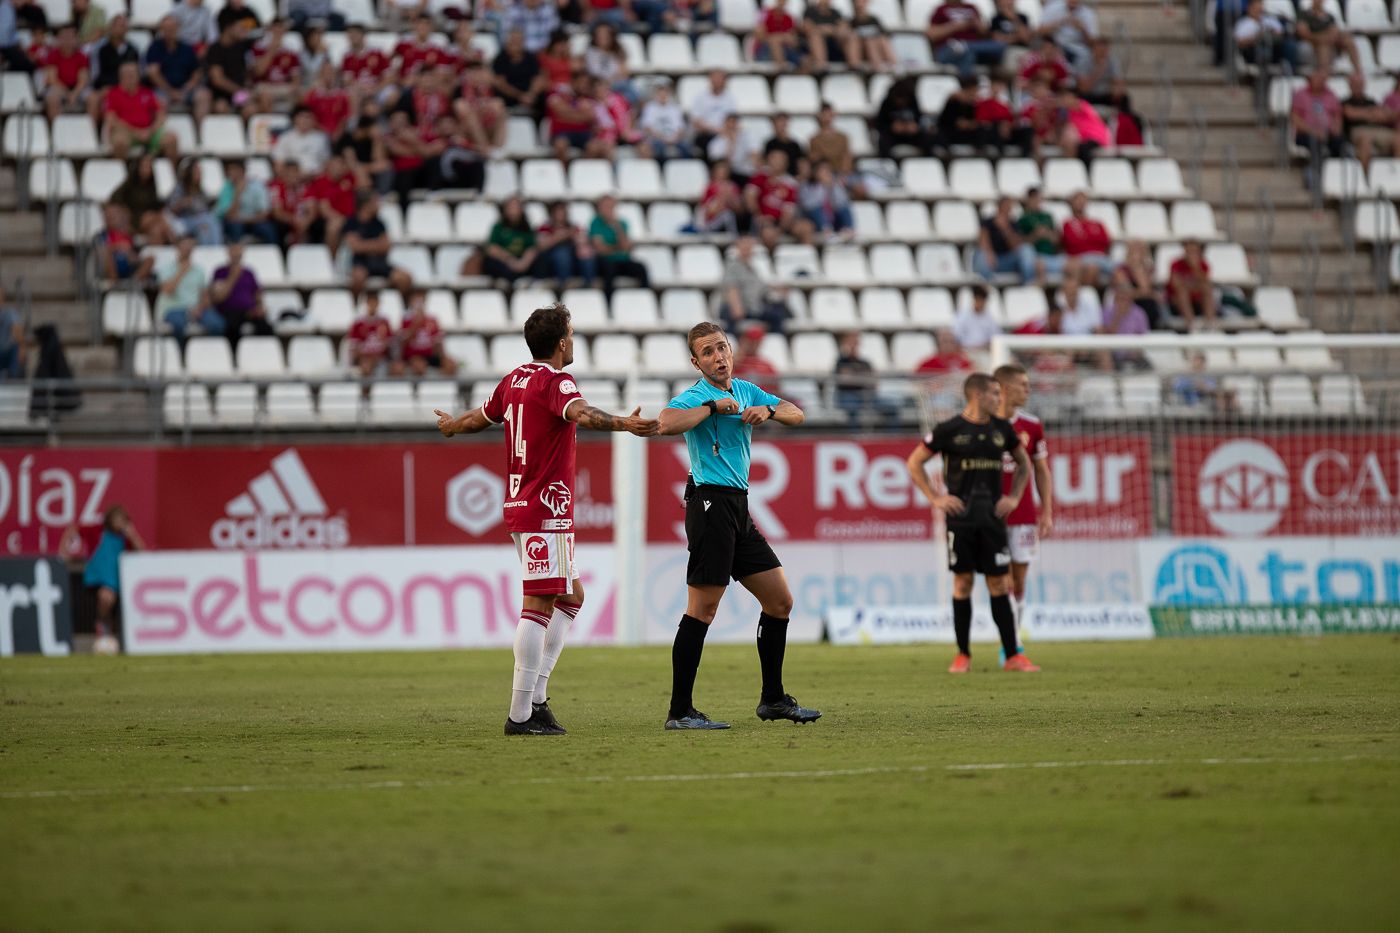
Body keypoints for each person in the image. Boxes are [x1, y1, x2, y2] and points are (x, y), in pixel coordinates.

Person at [434, 303, 660, 735]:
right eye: (571, 334)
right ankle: (521, 715)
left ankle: (536, 699)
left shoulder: (513, 380)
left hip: (527, 506)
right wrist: (623, 425)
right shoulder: (557, 382)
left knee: (571, 596)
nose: (573, 341)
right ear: (560, 343)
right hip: (544, 508)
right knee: (538, 603)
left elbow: (479, 418)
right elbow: (581, 414)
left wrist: (450, 427)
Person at [658, 322, 818, 730]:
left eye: (722, 348)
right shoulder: (696, 396)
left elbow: (796, 413)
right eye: (708, 352)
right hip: (709, 504)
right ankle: (679, 711)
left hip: (738, 508)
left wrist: (768, 411)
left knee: (780, 601)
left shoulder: (746, 389)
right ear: (696, 362)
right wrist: (712, 409)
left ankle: (773, 699)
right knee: (703, 610)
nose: (719, 357)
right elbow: (666, 422)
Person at [906, 372, 1037, 674]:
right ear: (977, 395)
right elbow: (915, 462)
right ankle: (963, 654)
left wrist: (1014, 498)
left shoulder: (1002, 429)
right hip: (961, 520)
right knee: (962, 583)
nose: (999, 398)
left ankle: (1013, 655)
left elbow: (1023, 464)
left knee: (999, 583)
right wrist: (936, 498)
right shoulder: (950, 429)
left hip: (992, 519)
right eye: (993, 393)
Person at [992, 363, 1052, 658]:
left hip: (1024, 514)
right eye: (1023, 385)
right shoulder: (984, 424)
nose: (1028, 390)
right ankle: (1010, 642)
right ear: (1004, 389)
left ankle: (1012, 642)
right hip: (988, 515)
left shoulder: (1032, 425)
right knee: (999, 580)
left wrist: (1047, 511)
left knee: (1018, 580)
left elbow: (1041, 470)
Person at [83, 504, 145, 654]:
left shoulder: (125, 538)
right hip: (99, 577)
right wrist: (64, 551)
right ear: (109, 520)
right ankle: (103, 626)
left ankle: (108, 629)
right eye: (116, 519)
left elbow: (141, 550)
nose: (119, 523)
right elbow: (74, 529)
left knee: (111, 599)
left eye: (122, 520)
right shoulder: (98, 532)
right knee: (106, 597)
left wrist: (133, 534)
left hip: (118, 579)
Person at [104, 61, 177, 160]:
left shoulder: (147, 92)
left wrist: (151, 130)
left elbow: (161, 114)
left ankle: (171, 173)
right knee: (119, 143)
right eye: (127, 75)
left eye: (133, 75)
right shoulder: (113, 94)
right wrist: (135, 132)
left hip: (149, 132)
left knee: (171, 139)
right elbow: (111, 119)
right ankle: (123, 172)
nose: (131, 79)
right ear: (121, 77)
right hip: (127, 133)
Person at [208, 239, 272, 347]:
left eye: (239, 250)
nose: (236, 253)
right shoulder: (220, 272)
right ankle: (234, 357)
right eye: (233, 250)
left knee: (265, 327)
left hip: (249, 310)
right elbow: (218, 297)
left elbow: (256, 293)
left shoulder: (249, 272)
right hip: (229, 311)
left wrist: (260, 306)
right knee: (232, 327)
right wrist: (233, 277)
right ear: (228, 252)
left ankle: (263, 353)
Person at [721, 235, 790, 334]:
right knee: (731, 317)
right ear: (738, 249)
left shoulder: (753, 269)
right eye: (744, 247)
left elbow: (762, 289)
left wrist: (779, 291)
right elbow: (731, 288)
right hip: (737, 307)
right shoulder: (733, 267)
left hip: (753, 308)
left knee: (777, 315)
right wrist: (737, 306)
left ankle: (774, 343)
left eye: (749, 247)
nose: (747, 250)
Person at [156, 234, 219, 340]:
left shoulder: (199, 270)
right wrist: (182, 271)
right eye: (185, 244)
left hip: (195, 309)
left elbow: (205, 296)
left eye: (191, 245)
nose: (188, 248)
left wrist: (199, 308)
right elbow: (167, 290)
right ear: (177, 247)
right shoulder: (165, 268)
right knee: (179, 324)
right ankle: (180, 353)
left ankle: (205, 353)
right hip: (172, 309)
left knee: (217, 324)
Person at [145, 15, 207, 121]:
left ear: (178, 29)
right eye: (167, 28)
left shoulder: (187, 48)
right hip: (163, 89)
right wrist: (170, 91)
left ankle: (199, 132)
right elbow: (153, 72)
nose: (170, 31)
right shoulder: (155, 48)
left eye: (172, 28)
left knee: (204, 96)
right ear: (162, 30)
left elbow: (197, 72)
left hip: (185, 89)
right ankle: (160, 132)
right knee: (158, 100)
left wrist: (187, 88)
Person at [834, 330, 899, 425]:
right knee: (852, 407)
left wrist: (855, 377)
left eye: (855, 342)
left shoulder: (865, 363)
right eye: (850, 343)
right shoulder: (841, 362)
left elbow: (873, 382)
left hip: (867, 396)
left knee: (892, 407)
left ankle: (893, 437)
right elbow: (845, 380)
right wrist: (862, 379)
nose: (853, 345)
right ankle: (855, 436)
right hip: (848, 396)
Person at [589, 195, 650, 295]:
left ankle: (645, 298)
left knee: (641, 268)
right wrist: (618, 247)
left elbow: (626, 248)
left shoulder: (622, 224)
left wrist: (617, 229)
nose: (608, 209)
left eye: (610, 206)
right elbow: (601, 249)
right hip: (605, 262)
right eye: (605, 206)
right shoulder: (595, 223)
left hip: (622, 261)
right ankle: (609, 302)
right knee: (609, 270)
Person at [926, 0, 1003, 77]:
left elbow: (985, 33)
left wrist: (976, 24)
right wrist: (955, 26)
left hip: (974, 47)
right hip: (948, 49)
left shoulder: (972, 8)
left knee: (999, 46)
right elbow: (932, 35)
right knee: (968, 55)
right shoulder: (940, 9)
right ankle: (968, 85)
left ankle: (964, 46)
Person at [974, 197, 1037, 283]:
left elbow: (1016, 246)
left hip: (1006, 260)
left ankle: (1029, 283)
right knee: (982, 255)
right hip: (991, 258)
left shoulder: (1013, 224)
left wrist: (1005, 229)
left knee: (1027, 249)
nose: (1009, 209)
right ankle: (986, 287)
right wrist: (989, 253)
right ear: (1000, 207)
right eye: (1007, 206)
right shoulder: (988, 221)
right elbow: (983, 240)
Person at [1015, 187, 1070, 285]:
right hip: (1035, 257)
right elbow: (1019, 243)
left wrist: (1049, 235)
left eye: (1038, 198)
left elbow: (1057, 239)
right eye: (1033, 198)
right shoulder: (1022, 218)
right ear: (1028, 200)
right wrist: (1035, 236)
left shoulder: (1048, 216)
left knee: (1074, 264)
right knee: (1035, 261)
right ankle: (1033, 291)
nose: (1036, 201)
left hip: (1051, 257)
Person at [396, 290, 457, 377]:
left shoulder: (432, 319)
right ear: (411, 302)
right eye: (416, 300)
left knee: (451, 365)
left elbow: (438, 341)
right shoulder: (405, 320)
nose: (419, 303)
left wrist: (444, 357)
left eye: (421, 300)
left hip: (430, 354)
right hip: (413, 356)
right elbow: (403, 343)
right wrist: (416, 324)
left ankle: (442, 388)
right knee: (419, 366)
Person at [537, 200, 596, 289]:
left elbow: (584, 241)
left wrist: (577, 240)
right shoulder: (545, 228)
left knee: (586, 255)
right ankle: (564, 288)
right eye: (558, 211)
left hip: (574, 260)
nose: (561, 214)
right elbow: (541, 246)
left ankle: (589, 286)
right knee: (562, 254)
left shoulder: (573, 227)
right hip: (551, 262)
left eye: (563, 211)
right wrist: (558, 237)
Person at [216, 159, 277, 244]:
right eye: (230, 170)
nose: (232, 173)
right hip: (235, 223)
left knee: (268, 229)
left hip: (253, 221)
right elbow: (228, 215)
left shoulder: (257, 186)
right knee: (235, 227)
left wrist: (243, 220)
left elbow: (264, 213)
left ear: (243, 171)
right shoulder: (226, 188)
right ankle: (236, 255)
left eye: (235, 170)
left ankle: (272, 255)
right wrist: (237, 194)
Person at [485, 195, 542, 284]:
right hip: (504, 262)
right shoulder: (498, 227)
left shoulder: (526, 228)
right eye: (511, 208)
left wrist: (523, 263)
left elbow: (532, 248)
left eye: (517, 208)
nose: (514, 211)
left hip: (521, 262)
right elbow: (492, 249)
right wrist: (510, 260)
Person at [1061, 191, 1114, 285]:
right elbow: (1072, 243)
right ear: (1072, 203)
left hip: (1101, 258)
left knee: (1121, 271)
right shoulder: (1068, 223)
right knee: (1092, 269)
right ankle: (1088, 296)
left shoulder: (1097, 223)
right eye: (1077, 200)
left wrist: (1085, 238)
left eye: (1082, 200)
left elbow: (1107, 241)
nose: (1080, 203)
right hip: (1082, 258)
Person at [1292, 70, 1345, 161]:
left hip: (1327, 133)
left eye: (1323, 79)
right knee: (1315, 142)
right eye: (1318, 78)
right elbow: (1295, 118)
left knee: (1340, 142)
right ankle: (1316, 170)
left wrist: (1335, 128)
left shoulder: (1331, 95)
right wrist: (1313, 131)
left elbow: (1337, 116)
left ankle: (1332, 169)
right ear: (1311, 79)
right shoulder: (1301, 94)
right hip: (1306, 134)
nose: (1321, 81)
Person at [42, 23, 90, 124]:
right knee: (52, 98)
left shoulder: (82, 56)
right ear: (59, 38)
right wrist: (68, 94)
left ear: (76, 39)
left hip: (77, 87)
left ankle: (91, 130)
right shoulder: (53, 55)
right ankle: (56, 130)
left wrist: (74, 93)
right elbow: (52, 79)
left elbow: (83, 79)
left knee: (93, 98)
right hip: (59, 87)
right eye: (64, 37)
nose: (67, 40)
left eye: (70, 37)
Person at [1296, 0, 1361, 74]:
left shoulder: (1329, 16)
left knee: (1348, 41)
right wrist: (1320, 38)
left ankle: (1358, 71)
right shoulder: (1304, 15)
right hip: (1314, 41)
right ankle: (1324, 73)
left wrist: (1329, 37)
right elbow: (1303, 32)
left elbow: (1334, 30)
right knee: (1323, 45)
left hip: (1329, 40)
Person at [1233, 0, 1298, 71]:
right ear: (1249, 8)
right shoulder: (1243, 23)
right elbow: (1239, 43)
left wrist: (1272, 33)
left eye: (1260, 8)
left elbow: (1281, 33)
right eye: (1256, 8)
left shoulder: (1269, 20)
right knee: (1262, 49)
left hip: (1274, 48)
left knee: (1289, 45)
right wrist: (1256, 38)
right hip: (1254, 50)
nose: (1258, 11)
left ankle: (1292, 72)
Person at [1167, 239, 1217, 330]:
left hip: (1197, 300)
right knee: (1182, 292)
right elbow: (1175, 284)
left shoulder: (1203, 265)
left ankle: (1210, 323)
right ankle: (1191, 325)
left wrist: (1195, 268)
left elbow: (1206, 283)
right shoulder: (1176, 264)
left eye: (1194, 251)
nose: (1192, 254)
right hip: (1177, 302)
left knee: (1207, 289)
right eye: (1189, 250)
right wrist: (1193, 286)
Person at [637, 79, 691, 162]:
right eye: (661, 93)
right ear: (656, 94)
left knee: (686, 148)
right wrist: (662, 137)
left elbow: (681, 128)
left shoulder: (674, 108)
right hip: (657, 138)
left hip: (674, 138)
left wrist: (674, 138)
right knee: (658, 149)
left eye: (665, 93)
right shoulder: (650, 108)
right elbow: (647, 127)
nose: (663, 96)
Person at [800, 160, 854, 240]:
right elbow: (808, 205)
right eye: (822, 170)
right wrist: (822, 187)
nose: (825, 173)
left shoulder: (835, 184)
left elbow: (841, 201)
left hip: (833, 219)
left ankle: (848, 230)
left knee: (844, 208)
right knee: (815, 209)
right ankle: (826, 230)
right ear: (815, 173)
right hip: (815, 221)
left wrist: (832, 187)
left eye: (828, 170)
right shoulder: (807, 186)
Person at [1038, 0, 1097, 69]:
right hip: (1054, 44)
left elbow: (1093, 42)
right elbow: (1040, 31)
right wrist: (1060, 23)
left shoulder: (1088, 14)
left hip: (1077, 49)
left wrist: (1083, 29)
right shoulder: (1053, 7)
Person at [688, 69, 736, 153]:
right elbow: (696, 121)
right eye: (715, 78)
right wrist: (715, 129)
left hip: (724, 133)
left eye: (720, 78)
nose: (717, 81)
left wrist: (725, 131)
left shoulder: (729, 98)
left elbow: (733, 118)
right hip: (706, 134)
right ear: (710, 80)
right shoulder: (700, 97)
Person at [272, 106, 331, 174]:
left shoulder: (321, 138)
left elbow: (326, 163)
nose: (305, 120)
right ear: (294, 119)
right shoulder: (285, 138)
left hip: (315, 178)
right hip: (292, 178)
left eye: (308, 117)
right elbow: (278, 163)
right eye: (301, 117)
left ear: (313, 120)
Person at [803, 0, 857, 72]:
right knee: (815, 36)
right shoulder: (810, 12)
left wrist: (827, 30)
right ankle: (821, 67)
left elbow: (843, 27)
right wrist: (828, 29)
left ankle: (854, 65)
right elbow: (807, 28)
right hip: (815, 46)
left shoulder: (835, 13)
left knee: (851, 35)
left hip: (835, 44)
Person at [348, 291, 393, 375]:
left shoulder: (384, 321)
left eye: (375, 303)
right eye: (370, 302)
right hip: (364, 357)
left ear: (378, 304)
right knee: (366, 366)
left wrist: (379, 354)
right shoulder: (358, 322)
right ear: (366, 303)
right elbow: (354, 346)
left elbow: (389, 344)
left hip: (380, 358)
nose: (373, 305)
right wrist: (365, 355)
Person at [754, 0, 803, 69]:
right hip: (765, 51)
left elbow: (793, 40)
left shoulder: (789, 18)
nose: (781, 2)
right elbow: (760, 36)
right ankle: (781, 68)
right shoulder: (764, 14)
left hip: (785, 50)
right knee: (775, 41)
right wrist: (781, 37)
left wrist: (783, 38)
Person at [849, 0, 894, 72]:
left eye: (862, 2)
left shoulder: (874, 20)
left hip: (877, 48)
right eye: (858, 1)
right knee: (869, 42)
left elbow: (883, 35)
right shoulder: (851, 22)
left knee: (881, 40)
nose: (860, 4)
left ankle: (894, 64)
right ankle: (879, 68)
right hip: (862, 51)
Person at [953, 284, 1002, 350]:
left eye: (983, 301)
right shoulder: (963, 316)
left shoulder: (989, 318)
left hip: (984, 351)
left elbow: (996, 337)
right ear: (974, 299)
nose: (980, 303)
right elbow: (957, 336)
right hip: (966, 351)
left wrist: (986, 346)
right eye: (979, 300)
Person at [0, 287, 27, 379]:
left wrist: (22, 346)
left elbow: (17, 329)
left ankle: (13, 380)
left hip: (4, 352)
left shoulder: (9, 313)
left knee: (16, 348)